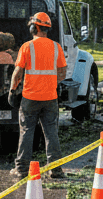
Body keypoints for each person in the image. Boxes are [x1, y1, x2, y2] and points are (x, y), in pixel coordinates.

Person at [8, 11, 67, 180]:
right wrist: (51, 84)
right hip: (50, 98)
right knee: (51, 133)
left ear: (34, 28)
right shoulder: (56, 47)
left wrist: (12, 91)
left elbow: (17, 73)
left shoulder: (27, 47)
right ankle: (55, 170)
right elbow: (62, 72)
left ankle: (21, 170)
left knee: (27, 131)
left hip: (30, 98)